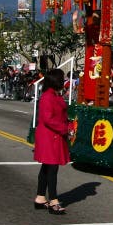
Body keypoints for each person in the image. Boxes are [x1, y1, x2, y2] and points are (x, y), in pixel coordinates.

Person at [33, 68, 70, 215]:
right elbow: (48, 119)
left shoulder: (53, 95)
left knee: (46, 168)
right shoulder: (48, 97)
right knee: (52, 169)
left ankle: (40, 197)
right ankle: (53, 200)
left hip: (51, 135)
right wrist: (65, 128)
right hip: (50, 136)